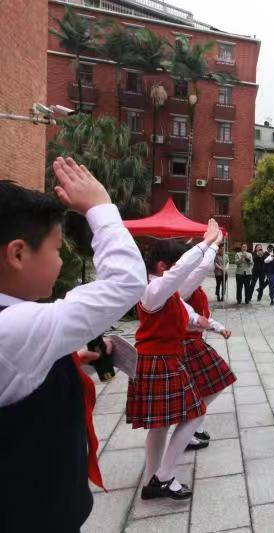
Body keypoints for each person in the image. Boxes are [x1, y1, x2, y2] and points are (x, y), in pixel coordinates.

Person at [0, 160, 147, 532]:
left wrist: (68, 361)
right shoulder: (12, 328)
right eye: (56, 249)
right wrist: (100, 206)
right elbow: (127, 282)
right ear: (18, 254)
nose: (62, 260)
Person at [128, 221, 220, 501]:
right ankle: (163, 476)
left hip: (161, 359)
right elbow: (183, 270)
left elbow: (189, 314)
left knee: (160, 425)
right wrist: (207, 243)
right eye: (176, 266)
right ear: (161, 267)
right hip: (158, 360)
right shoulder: (154, 289)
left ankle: (152, 479)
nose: (184, 273)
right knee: (194, 413)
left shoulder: (166, 293)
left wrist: (209, 324)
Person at [179, 233, 236, 448]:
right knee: (211, 384)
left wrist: (219, 328)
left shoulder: (195, 288)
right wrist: (213, 244)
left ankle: (194, 425)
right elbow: (189, 318)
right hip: (187, 344)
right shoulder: (183, 287)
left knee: (203, 387)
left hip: (194, 343)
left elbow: (201, 316)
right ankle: (189, 427)